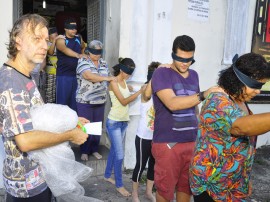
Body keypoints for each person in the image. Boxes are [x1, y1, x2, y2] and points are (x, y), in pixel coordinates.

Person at [0, 14, 88, 201]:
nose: (44, 45)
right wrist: (70, 135)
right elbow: (25, 141)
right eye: (36, 39)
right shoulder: (11, 82)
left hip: (40, 177)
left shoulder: (25, 75)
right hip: (25, 187)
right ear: (18, 41)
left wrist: (70, 122)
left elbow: (35, 118)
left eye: (47, 40)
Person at [189, 53, 270, 202]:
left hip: (234, 184)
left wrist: (245, 178)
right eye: (255, 85)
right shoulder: (218, 100)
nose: (258, 91)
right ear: (238, 80)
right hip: (211, 184)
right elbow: (240, 127)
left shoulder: (239, 98)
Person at [151, 35, 222, 202]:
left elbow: (194, 107)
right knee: (165, 190)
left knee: (187, 187)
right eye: (179, 59)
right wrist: (204, 94)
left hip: (191, 142)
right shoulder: (161, 73)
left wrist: (199, 133)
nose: (184, 63)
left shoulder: (194, 75)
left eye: (189, 60)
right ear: (172, 55)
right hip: (169, 143)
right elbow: (172, 104)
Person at [104, 58, 142, 197]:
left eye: (130, 74)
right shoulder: (113, 82)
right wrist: (139, 93)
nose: (129, 76)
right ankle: (120, 185)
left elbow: (128, 90)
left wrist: (133, 88)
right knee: (120, 155)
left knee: (115, 150)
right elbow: (123, 101)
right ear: (121, 69)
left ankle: (107, 175)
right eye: (127, 73)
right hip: (113, 123)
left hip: (123, 122)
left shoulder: (125, 82)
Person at [76, 40, 115, 161]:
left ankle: (94, 149)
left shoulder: (103, 62)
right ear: (88, 51)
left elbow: (109, 80)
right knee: (85, 126)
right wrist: (107, 78)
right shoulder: (83, 61)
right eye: (94, 52)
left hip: (100, 100)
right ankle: (84, 150)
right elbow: (88, 76)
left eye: (99, 52)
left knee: (97, 126)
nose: (97, 55)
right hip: (85, 100)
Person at [131, 61, 160, 202]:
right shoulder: (145, 90)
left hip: (156, 137)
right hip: (143, 137)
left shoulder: (161, 92)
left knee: (153, 166)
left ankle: (149, 192)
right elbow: (147, 92)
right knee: (140, 165)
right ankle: (135, 194)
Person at [56, 17, 86, 111]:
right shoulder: (61, 39)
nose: (74, 30)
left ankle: (73, 124)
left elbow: (83, 47)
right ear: (65, 28)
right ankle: (61, 125)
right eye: (71, 28)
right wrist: (78, 55)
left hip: (76, 75)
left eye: (75, 28)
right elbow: (65, 49)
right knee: (62, 104)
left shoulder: (79, 38)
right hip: (64, 76)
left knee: (74, 103)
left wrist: (83, 54)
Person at [44, 27, 65, 103]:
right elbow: (50, 52)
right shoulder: (47, 44)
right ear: (49, 36)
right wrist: (54, 41)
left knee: (58, 93)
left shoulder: (60, 44)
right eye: (54, 35)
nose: (56, 36)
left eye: (57, 35)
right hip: (50, 72)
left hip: (59, 72)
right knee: (49, 94)